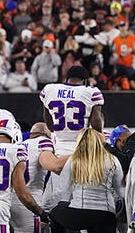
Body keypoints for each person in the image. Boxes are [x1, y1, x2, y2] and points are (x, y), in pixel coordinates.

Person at [46, 128, 125, 233]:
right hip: (104, 216)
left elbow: (61, 191)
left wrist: (52, 209)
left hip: (79, 214)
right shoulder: (112, 160)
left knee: (54, 214)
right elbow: (121, 191)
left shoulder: (74, 159)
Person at [39, 66, 104, 209]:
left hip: (59, 152)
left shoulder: (50, 90)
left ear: (66, 78)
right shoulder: (90, 92)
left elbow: (49, 124)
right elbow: (97, 125)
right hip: (82, 151)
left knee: (58, 203)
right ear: (85, 80)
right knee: (81, 203)